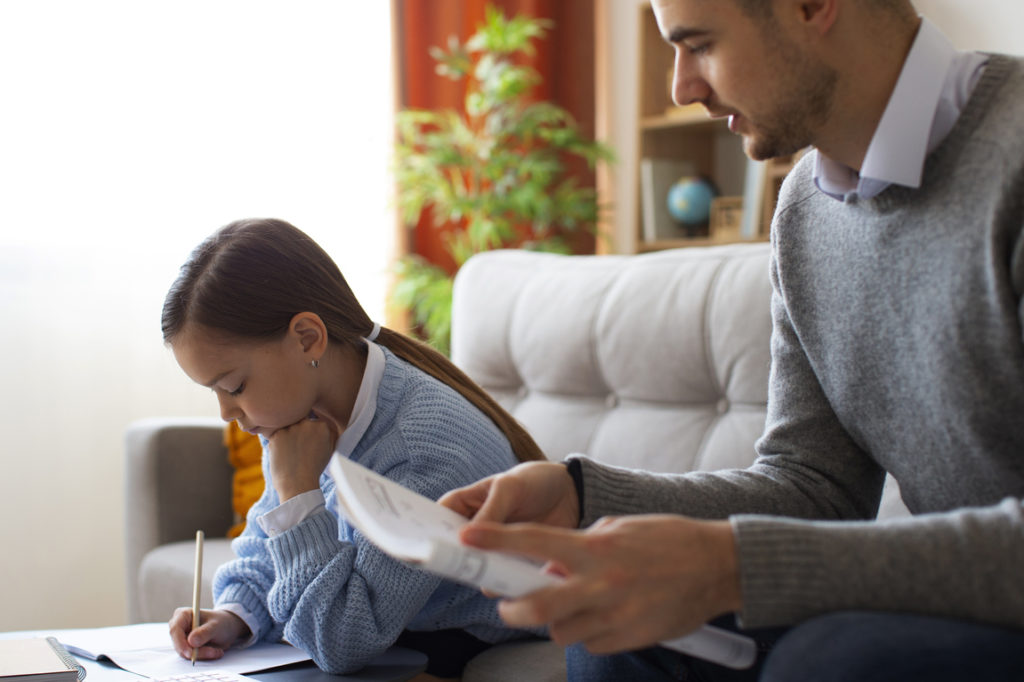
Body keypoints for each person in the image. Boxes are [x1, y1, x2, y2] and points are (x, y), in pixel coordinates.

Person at [439, 0, 1024, 680]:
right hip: (952, 598)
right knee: (620, 634)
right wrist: (582, 496)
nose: (682, 87)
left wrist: (735, 565)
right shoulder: (807, 209)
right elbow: (815, 487)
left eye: (700, 44)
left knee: (832, 665)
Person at [161, 218, 545, 679]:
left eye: (235, 385)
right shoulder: (298, 420)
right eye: (215, 392)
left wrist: (298, 492)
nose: (227, 413)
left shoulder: (421, 449)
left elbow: (342, 640)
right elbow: (270, 552)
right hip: (391, 633)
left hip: (459, 638)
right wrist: (234, 617)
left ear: (307, 338)